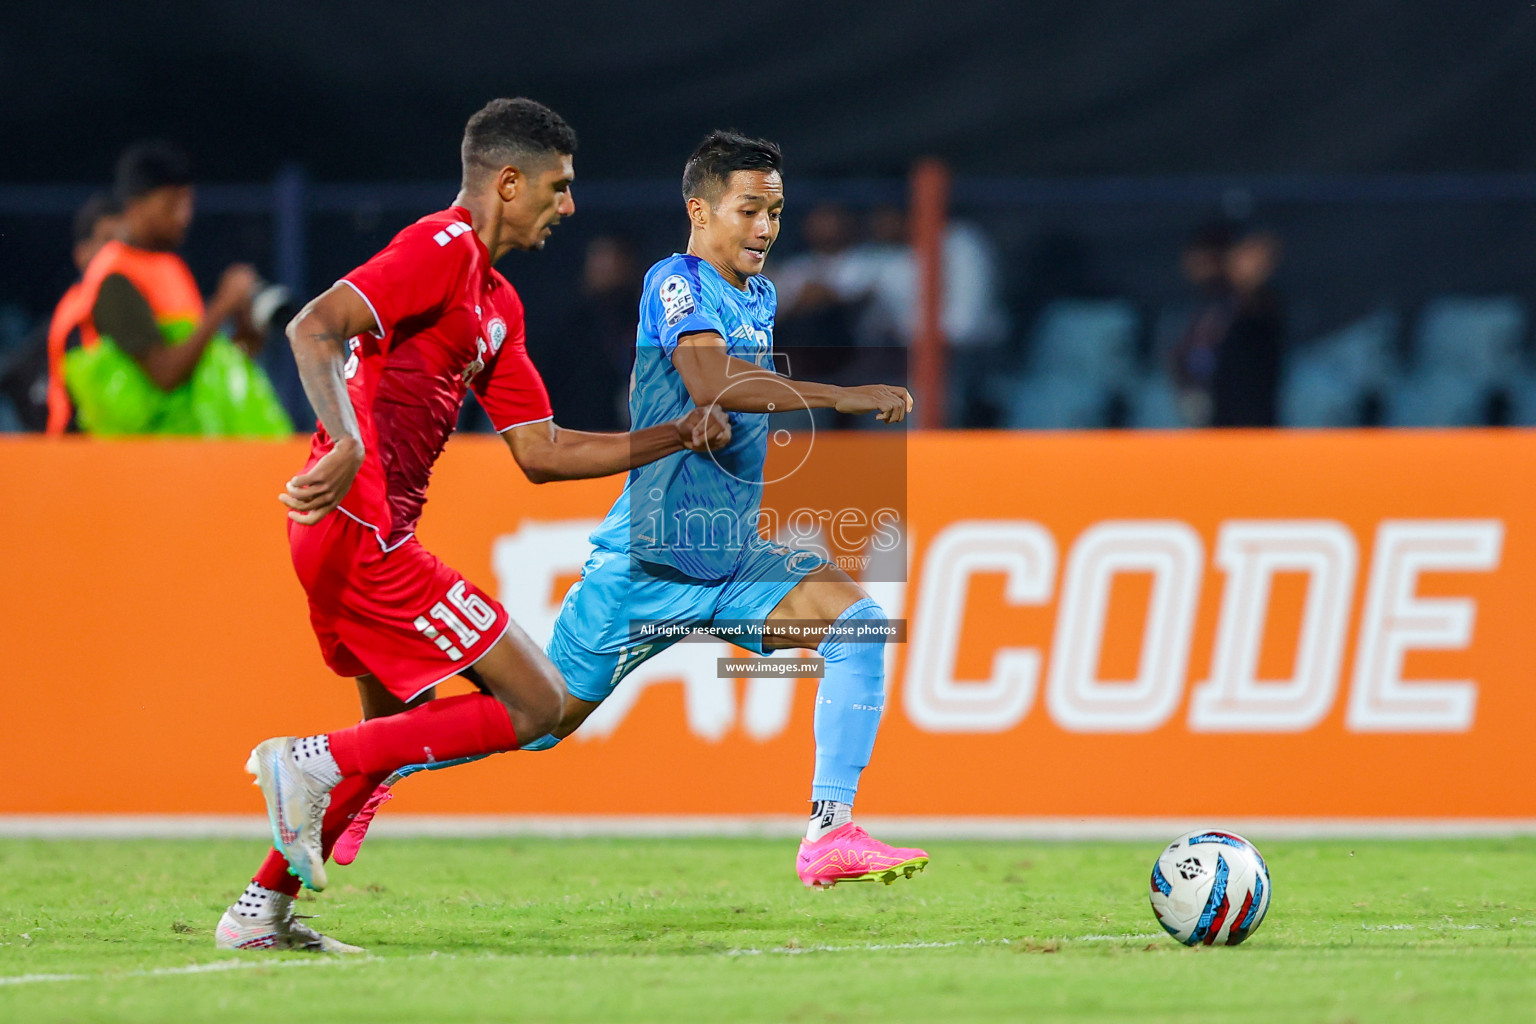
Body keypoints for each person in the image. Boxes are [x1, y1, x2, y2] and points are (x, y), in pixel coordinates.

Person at [339, 131, 929, 890]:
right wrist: (842, 394)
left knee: (858, 629)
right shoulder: (673, 282)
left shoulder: (762, 293)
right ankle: (367, 765)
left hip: (731, 553)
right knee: (541, 723)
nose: (766, 228)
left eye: (775, 211)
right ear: (701, 209)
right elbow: (713, 380)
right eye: (750, 209)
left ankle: (829, 831)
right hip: (648, 561)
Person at [219, 98, 730, 953]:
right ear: (508, 182)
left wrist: (675, 435)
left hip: (356, 533)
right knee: (536, 703)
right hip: (359, 523)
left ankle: (259, 912)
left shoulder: (494, 302)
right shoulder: (440, 247)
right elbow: (313, 326)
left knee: (385, 734)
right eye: (558, 188)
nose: (568, 208)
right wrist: (345, 438)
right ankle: (305, 763)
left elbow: (541, 449)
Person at [66, 141, 291, 436]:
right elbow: (165, 375)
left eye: (188, 203)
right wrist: (221, 307)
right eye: (171, 205)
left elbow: (205, 371)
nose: (184, 216)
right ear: (136, 206)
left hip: (187, 448)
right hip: (137, 457)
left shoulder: (170, 268)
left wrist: (244, 328)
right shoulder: (114, 277)